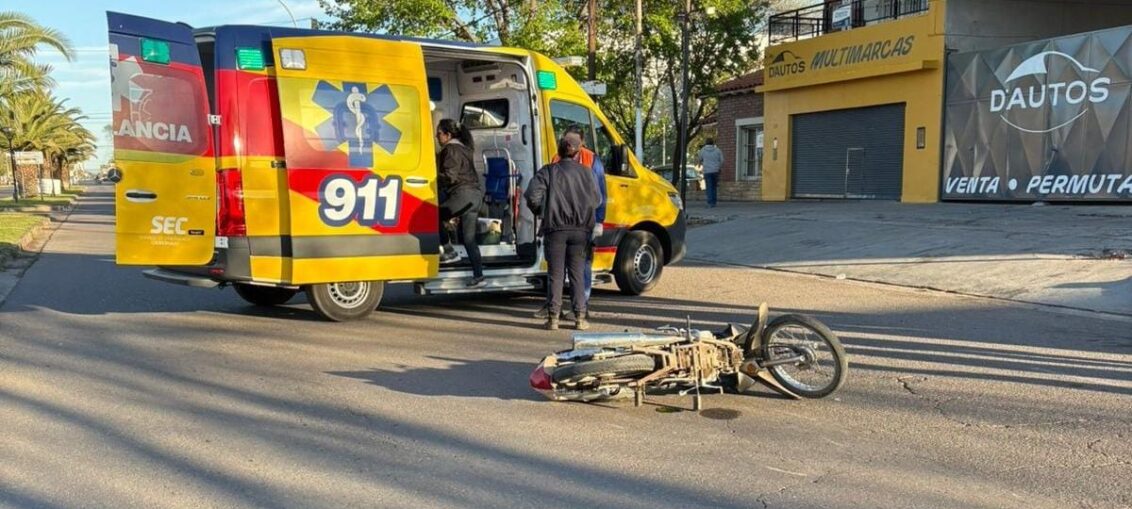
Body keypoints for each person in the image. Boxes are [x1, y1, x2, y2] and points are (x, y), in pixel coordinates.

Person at [525, 132, 602, 330]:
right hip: (581, 230)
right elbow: (597, 200)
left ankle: (553, 318)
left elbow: (532, 195)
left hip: (555, 229)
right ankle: (580, 318)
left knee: (555, 274)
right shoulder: (587, 173)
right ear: (578, 152)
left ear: (559, 150)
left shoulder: (548, 171)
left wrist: (543, 211)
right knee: (577, 274)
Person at [435, 118, 486, 288]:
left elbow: (450, 176)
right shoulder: (465, 148)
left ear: (448, 135)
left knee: (433, 214)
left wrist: (432, 179)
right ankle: (479, 276)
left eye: (439, 133)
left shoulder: (450, 149)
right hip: (475, 197)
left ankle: (448, 250)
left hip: (462, 194)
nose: (436, 136)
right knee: (469, 239)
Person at [696, 138, 723, 208]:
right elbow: (722, 160)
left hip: (707, 171)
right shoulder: (717, 150)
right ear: (713, 143)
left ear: (706, 143)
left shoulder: (703, 150)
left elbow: (699, 159)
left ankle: (710, 202)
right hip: (715, 170)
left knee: (709, 187)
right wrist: (719, 167)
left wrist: (699, 165)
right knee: (714, 186)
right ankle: (714, 201)